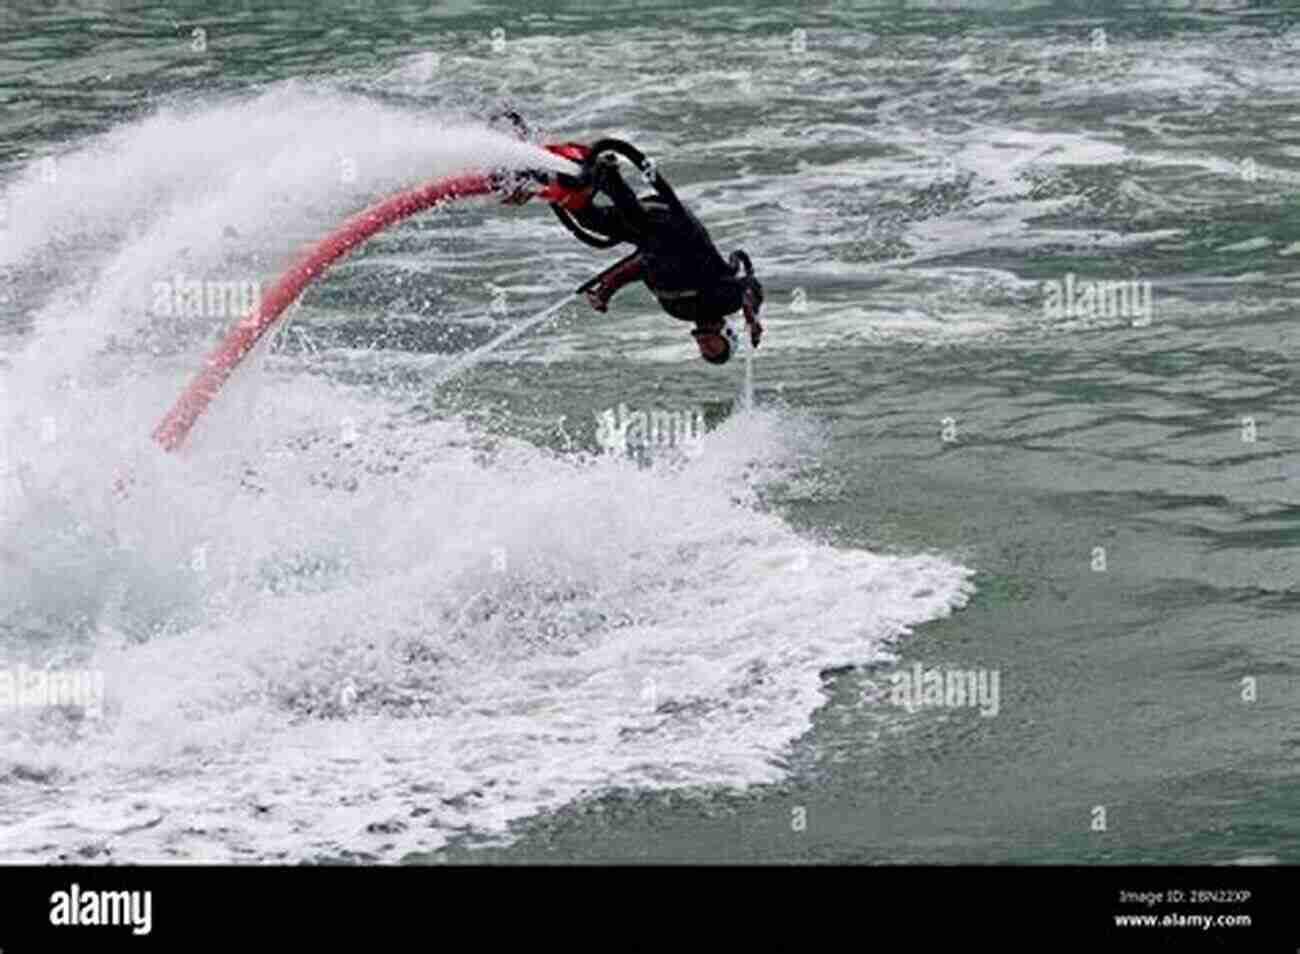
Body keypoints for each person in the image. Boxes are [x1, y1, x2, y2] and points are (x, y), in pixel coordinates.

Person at [545, 139, 764, 365]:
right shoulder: (726, 302)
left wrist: (606, 290)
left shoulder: (676, 310)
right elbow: (750, 286)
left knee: (590, 221)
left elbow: (643, 266)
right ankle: (606, 170)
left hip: (648, 239)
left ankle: (546, 180)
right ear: (727, 335)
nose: (704, 345)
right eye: (713, 348)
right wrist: (752, 314)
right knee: (635, 219)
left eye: (704, 350)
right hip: (670, 223)